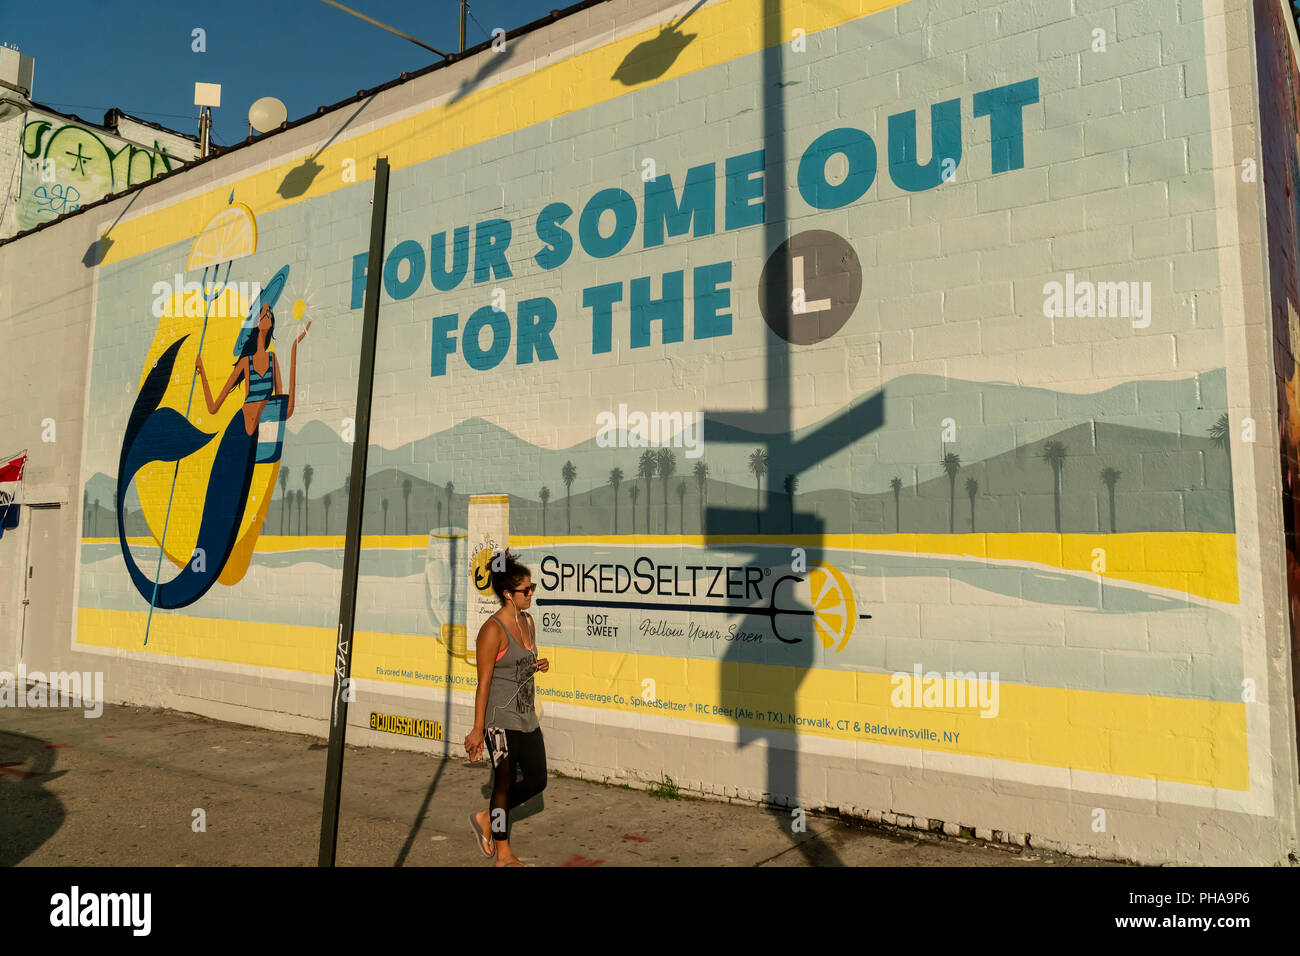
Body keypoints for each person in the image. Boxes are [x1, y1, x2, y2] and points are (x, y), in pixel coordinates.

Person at [464, 550, 550, 866]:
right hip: (499, 720)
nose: (531, 594)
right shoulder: (492, 631)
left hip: (526, 716)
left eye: (532, 588)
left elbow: (520, 664)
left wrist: (538, 664)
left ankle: (487, 817)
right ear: (507, 595)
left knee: (537, 780)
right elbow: (483, 683)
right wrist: (477, 728)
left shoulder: (527, 622)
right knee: (503, 781)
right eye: (525, 590)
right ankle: (504, 854)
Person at [195, 303, 309, 434]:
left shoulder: (272, 359)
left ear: (271, 324)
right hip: (240, 429)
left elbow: (284, 408)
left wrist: (294, 347)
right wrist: (202, 370)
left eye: (269, 314)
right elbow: (213, 408)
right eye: (265, 312)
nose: (268, 316)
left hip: (262, 432)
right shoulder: (245, 362)